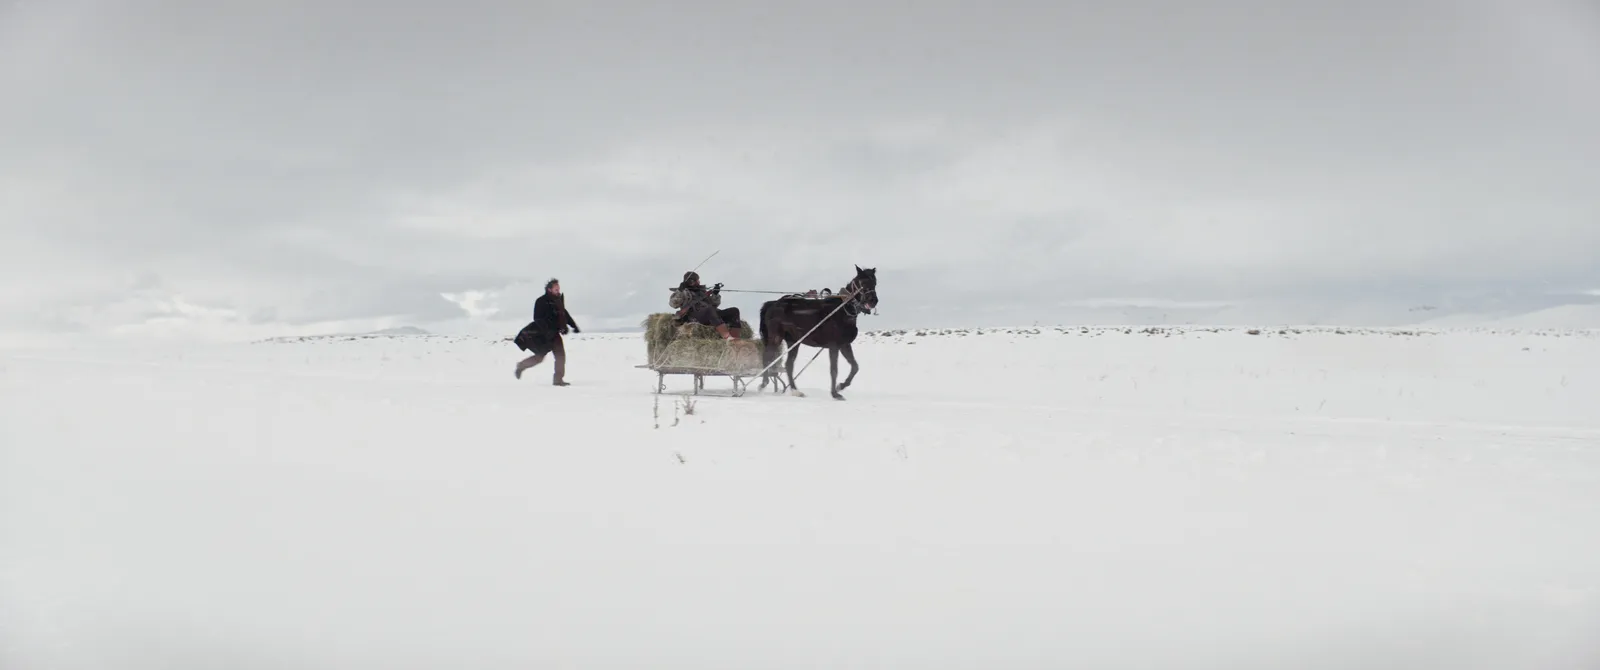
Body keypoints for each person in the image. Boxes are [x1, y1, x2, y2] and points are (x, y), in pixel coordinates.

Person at [513, 278, 580, 385]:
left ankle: (558, 380)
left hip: (555, 334)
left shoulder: (558, 302)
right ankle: (521, 366)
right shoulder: (541, 301)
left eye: (559, 289)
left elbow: (564, 314)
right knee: (539, 357)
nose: (558, 291)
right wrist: (548, 331)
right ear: (549, 289)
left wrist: (573, 326)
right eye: (556, 289)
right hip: (543, 335)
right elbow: (537, 319)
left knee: (560, 356)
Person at [669, 271, 740, 340]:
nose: (698, 282)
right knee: (709, 310)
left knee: (734, 311)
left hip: (711, 315)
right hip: (695, 317)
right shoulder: (683, 292)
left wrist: (715, 294)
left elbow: (715, 304)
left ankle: (735, 339)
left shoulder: (702, 292)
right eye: (693, 280)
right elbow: (673, 304)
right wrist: (680, 290)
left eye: (697, 280)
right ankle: (728, 338)